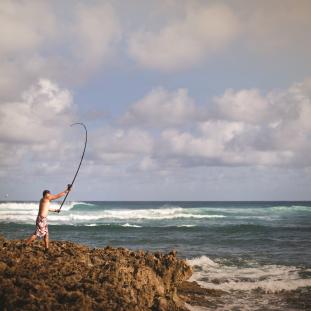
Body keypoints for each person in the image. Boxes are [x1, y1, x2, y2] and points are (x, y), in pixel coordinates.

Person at [26, 185, 72, 250]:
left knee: (46, 234)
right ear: (45, 195)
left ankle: (46, 249)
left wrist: (55, 210)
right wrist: (66, 191)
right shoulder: (45, 199)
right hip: (41, 219)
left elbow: (47, 208)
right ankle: (25, 244)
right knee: (37, 233)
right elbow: (57, 196)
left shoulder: (44, 200)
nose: (49, 196)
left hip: (43, 219)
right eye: (48, 195)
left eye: (49, 195)